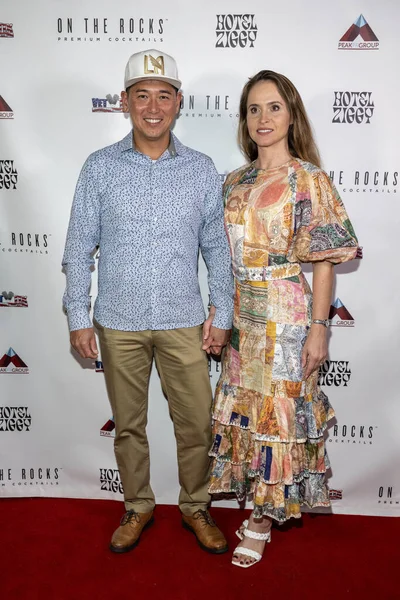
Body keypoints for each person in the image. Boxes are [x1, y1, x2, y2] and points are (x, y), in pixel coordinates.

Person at [62, 49, 233, 555]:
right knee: (128, 426)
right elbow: (77, 246)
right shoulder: (100, 167)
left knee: (197, 423)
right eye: (142, 96)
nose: (153, 107)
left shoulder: (202, 170)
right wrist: (77, 315)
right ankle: (137, 505)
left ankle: (196, 506)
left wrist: (221, 312)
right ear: (125, 102)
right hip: (118, 322)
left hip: (184, 320)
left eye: (164, 95)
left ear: (178, 103)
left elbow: (217, 250)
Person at [208, 70, 360, 568]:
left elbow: (325, 261)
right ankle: (254, 503)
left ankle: (261, 521)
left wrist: (320, 327)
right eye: (253, 109)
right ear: (244, 120)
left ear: (291, 113)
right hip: (242, 320)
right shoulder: (233, 182)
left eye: (273, 107)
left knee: (280, 420)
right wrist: (218, 315)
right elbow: (218, 259)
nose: (263, 118)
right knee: (248, 416)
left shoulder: (308, 179)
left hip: (289, 320)